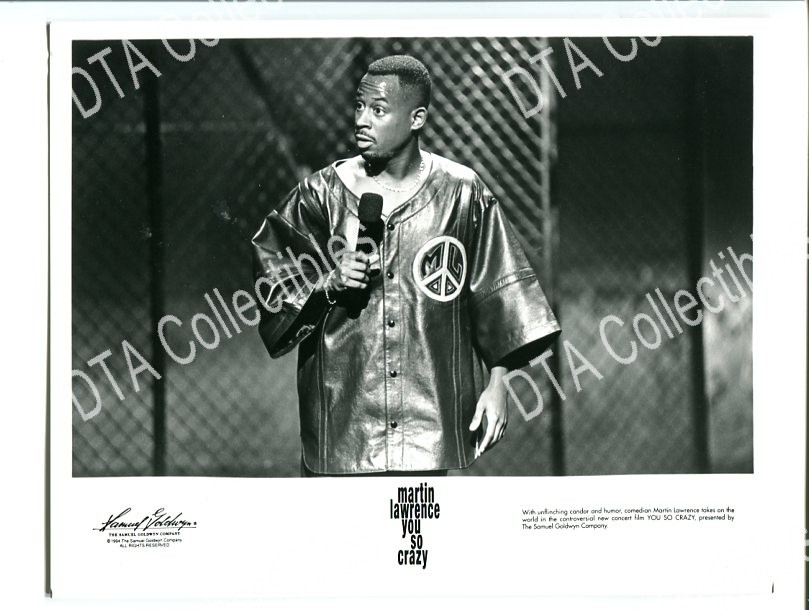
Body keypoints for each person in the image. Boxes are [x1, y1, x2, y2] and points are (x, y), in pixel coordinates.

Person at [251, 55, 560, 476]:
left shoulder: (461, 194)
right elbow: (274, 279)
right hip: (344, 428)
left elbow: (498, 295)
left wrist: (497, 383)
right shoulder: (321, 194)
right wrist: (328, 283)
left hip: (427, 431)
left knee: (417, 521)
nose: (362, 120)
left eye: (378, 110)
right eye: (359, 107)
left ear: (416, 119)